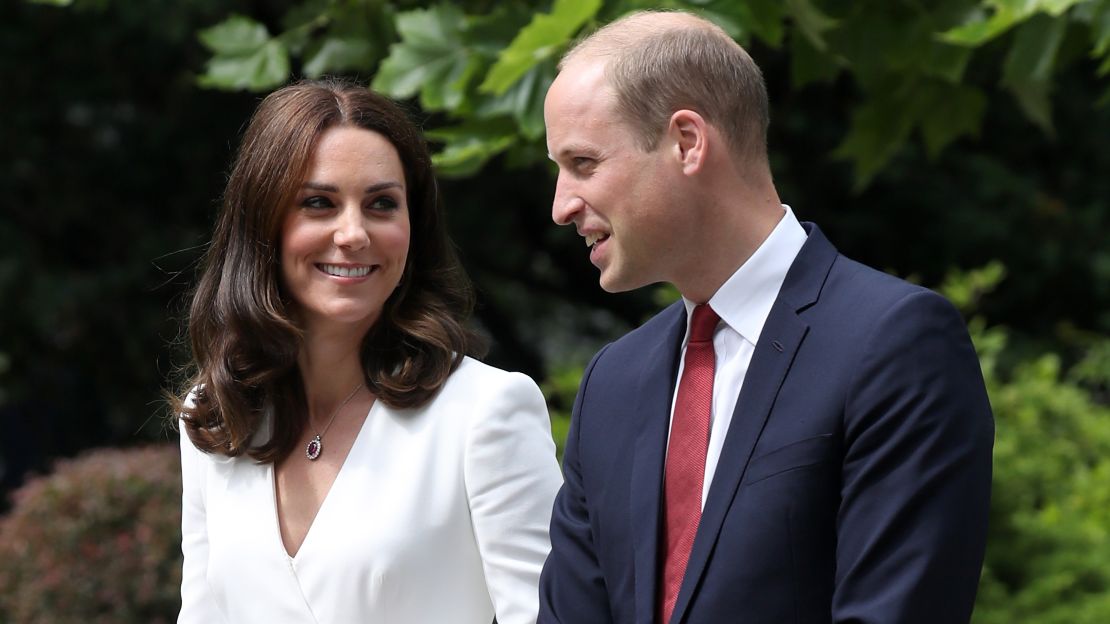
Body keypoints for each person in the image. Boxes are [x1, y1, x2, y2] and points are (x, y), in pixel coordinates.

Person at [538, 10, 994, 624]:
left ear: (687, 143)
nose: (561, 206)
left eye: (583, 164)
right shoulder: (613, 383)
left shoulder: (894, 344)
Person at [173, 79, 562, 624]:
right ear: (262, 223)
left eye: (382, 204)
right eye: (318, 203)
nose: (353, 233)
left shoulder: (486, 410)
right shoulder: (216, 412)